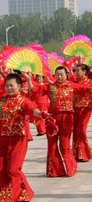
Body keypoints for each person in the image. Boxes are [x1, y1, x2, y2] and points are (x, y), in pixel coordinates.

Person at [30, 66, 92, 177]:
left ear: (67, 75)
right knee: (52, 144)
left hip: (66, 118)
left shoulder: (71, 85)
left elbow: (84, 89)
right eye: (57, 74)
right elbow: (34, 91)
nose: (59, 77)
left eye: (62, 74)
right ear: (54, 75)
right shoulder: (50, 86)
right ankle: (55, 171)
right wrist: (28, 79)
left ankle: (70, 168)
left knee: (64, 144)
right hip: (51, 118)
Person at [0, 73, 42, 201]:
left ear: (19, 86)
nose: (9, 88)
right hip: (2, 138)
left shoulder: (23, 100)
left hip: (18, 139)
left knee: (13, 169)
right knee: (2, 168)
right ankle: (23, 193)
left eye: (11, 85)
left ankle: (13, 197)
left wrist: (36, 111)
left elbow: (30, 107)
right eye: (7, 86)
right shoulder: (2, 101)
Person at [71, 64, 92, 162]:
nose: (76, 72)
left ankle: (85, 152)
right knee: (75, 130)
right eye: (76, 70)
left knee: (81, 129)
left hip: (86, 108)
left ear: (85, 72)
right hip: (75, 108)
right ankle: (77, 153)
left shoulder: (91, 82)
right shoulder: (74, 82)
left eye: (78, 70)